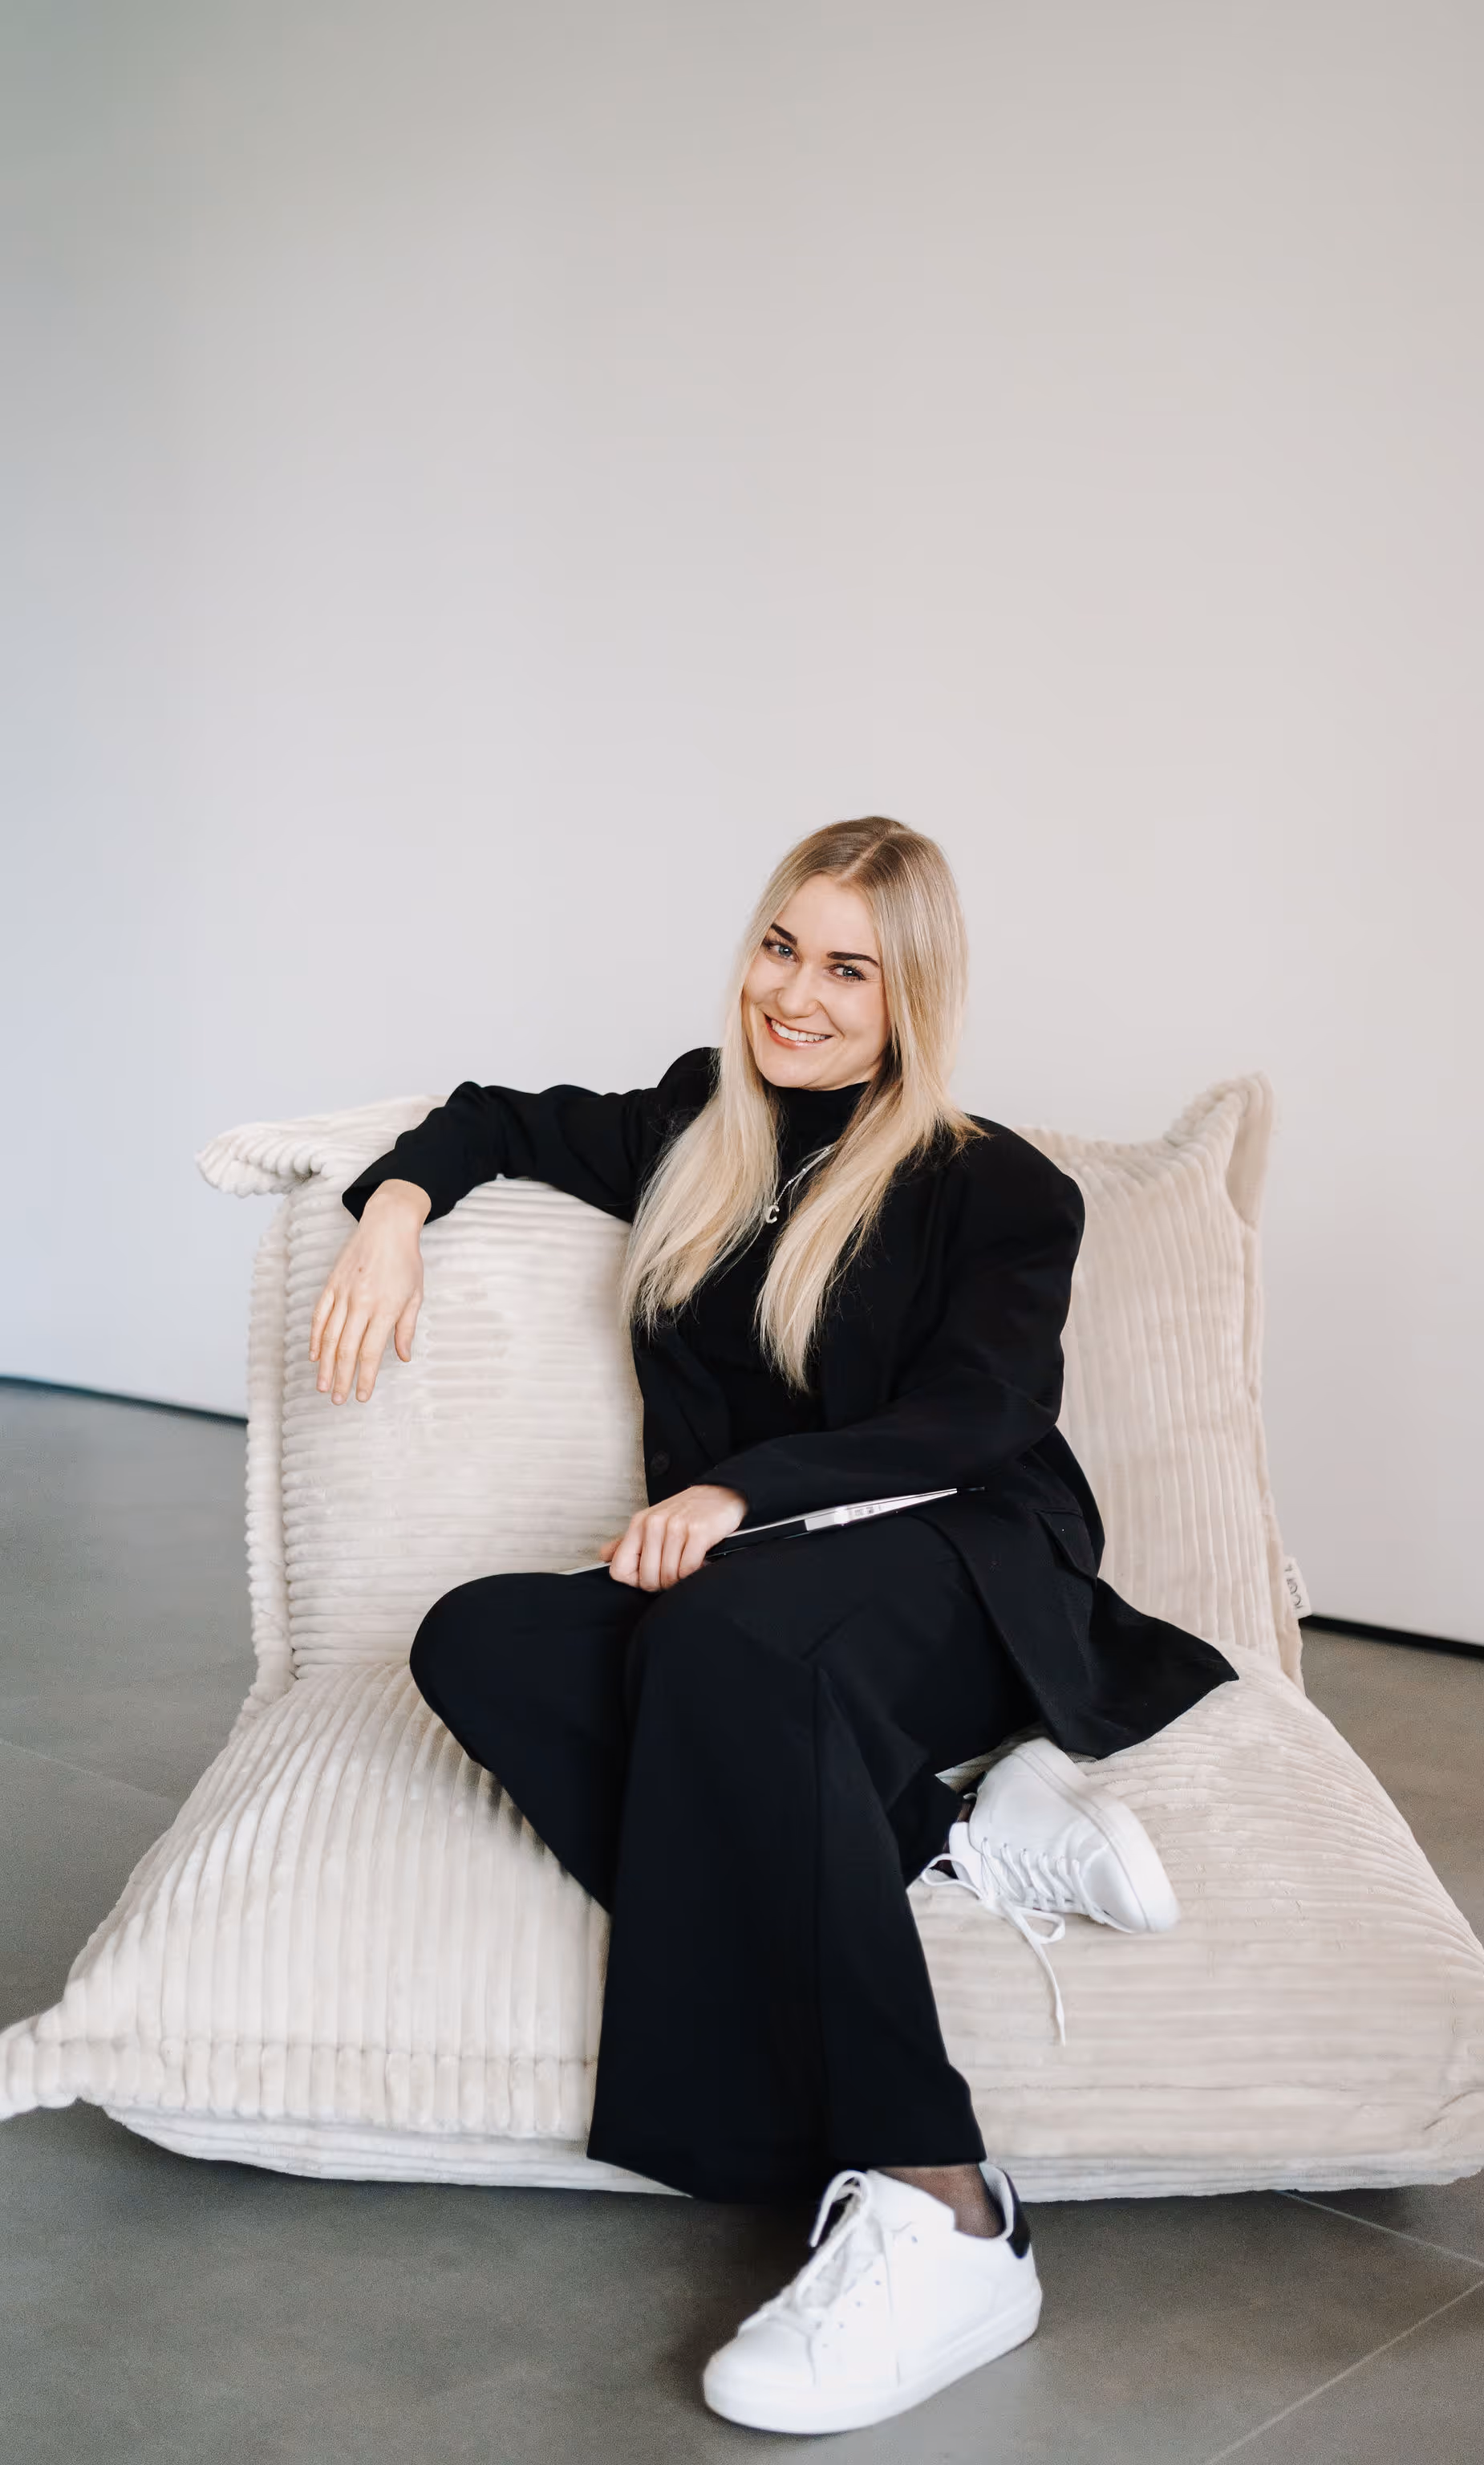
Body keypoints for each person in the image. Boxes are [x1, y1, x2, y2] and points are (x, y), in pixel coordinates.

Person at [309, 815, 1234, 2435]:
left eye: (849, 969)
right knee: (481, 1639)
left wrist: (751, 1499)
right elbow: (492, 1119)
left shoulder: (993, 1185)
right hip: (750, 1598)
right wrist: (393, 1211)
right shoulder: (695, 1123)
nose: (795, 996)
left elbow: (983, 1408)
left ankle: (942, 2201)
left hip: (958, 1553)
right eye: (779, 948)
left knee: (717, 1640)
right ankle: (936, 1830)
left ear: (913, 996)